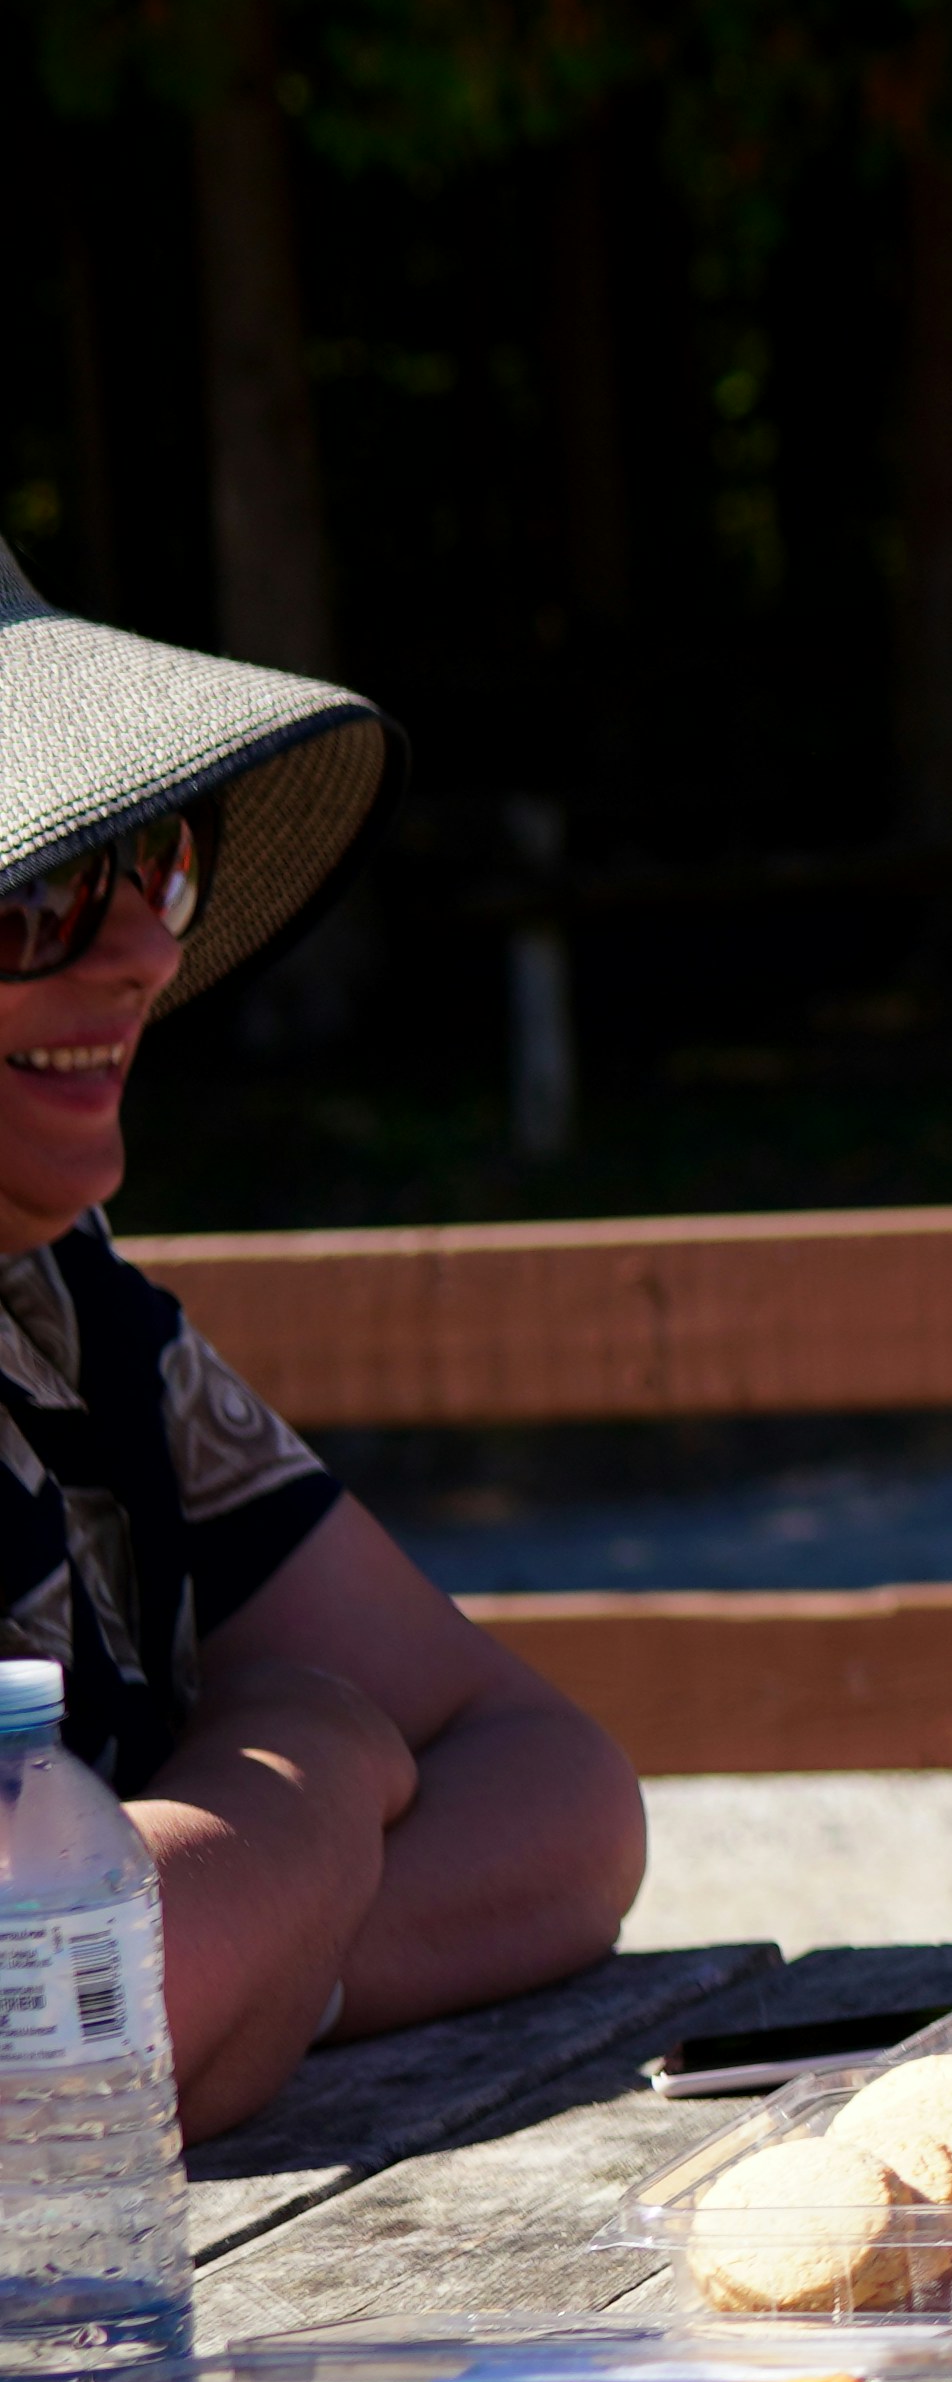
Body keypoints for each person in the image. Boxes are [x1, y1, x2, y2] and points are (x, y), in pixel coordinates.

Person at [0, 549, 649, 2136]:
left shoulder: (58, 1299)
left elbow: (563, 1795)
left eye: (155, 862)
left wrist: (265, 1964)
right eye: (37, 898)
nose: (144, 949)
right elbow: (62, 2017)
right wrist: (310, 1747)